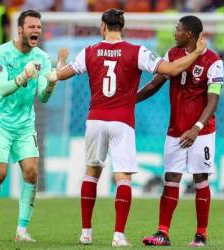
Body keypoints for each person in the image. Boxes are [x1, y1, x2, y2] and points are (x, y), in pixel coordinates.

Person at [47, 8, 206, 247]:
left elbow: (59, 75)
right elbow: (172, 70)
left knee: (91, 173)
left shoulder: (89, 51)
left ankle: (86, 233)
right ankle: (118, 235)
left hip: (96, 119)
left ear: (103, 26)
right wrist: (198, 53)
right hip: (122, 121)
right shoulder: (136, 51)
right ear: (123, 27)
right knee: (123, 178)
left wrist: (59, 63)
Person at [137, 15, 224, 247]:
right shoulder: (172, 55)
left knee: (200, 179)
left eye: (178, 29)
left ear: (189, 34)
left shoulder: (213, 61)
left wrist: (197, 128)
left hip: (201, 133)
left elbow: (213, 100)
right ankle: (162, 233)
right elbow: (155, 83)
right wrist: (129, 101)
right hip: (175, 130)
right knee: (171, 178)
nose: (174, 32)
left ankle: (201, 235)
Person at [0, 10, 56, 242]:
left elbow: (43, 97)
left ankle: (22, 230)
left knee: (32, 172)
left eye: (39, 27)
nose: (36, 31)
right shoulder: (0, 53)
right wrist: (23, 76)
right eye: (32, 27)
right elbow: (3, 89)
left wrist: (51, 84)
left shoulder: (43, 58)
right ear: (20, 29)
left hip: (24, 124)